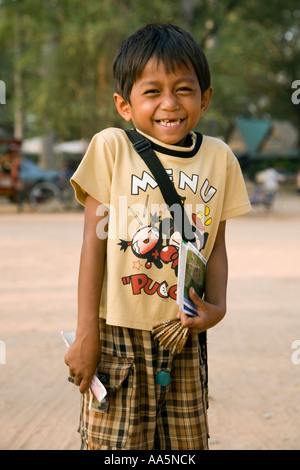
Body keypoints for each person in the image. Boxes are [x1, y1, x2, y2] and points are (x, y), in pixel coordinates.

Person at [65, 23, 251, 450]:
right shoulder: (112, 148)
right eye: (152, 92)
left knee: (184, 448)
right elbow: (92, 243)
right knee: (115, 449)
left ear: (205, 97)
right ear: (124, 105)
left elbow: (215, 247)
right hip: (117, 337)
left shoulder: (219, 158)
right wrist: (85, 332)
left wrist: (217, 308)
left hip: (182, 334)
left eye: (184, 90)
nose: (170, 103)